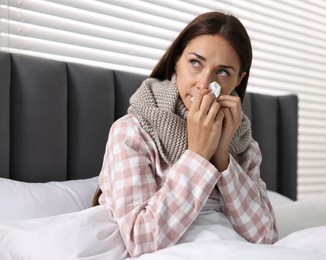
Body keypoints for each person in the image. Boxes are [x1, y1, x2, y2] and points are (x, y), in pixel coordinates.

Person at [95, 11, 278, 257]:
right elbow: (141, 240)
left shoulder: (244, 145)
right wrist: (199, 155)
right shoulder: (131, 132)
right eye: (195, 63)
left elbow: (266, 237)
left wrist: (222, 156)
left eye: (222, 72)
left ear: (238, 80)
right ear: (176, 62)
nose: (205, 83)